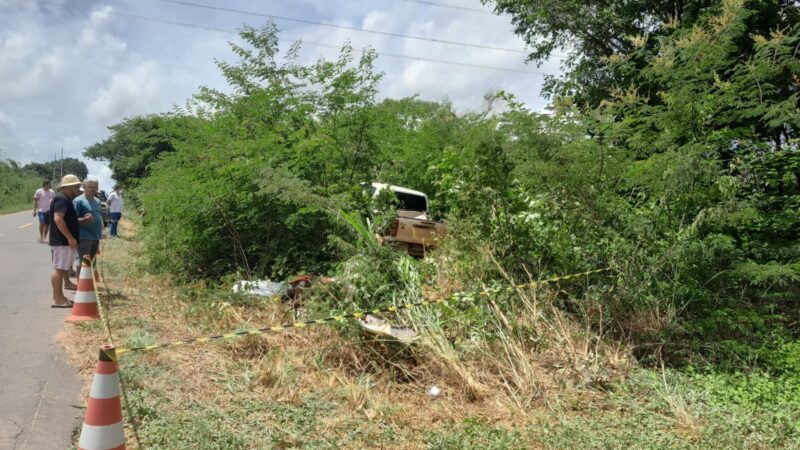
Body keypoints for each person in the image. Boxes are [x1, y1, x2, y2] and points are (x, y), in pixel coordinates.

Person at [49, 174, 82, 308]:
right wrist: (70, 238)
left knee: (62, 269)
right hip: (62, 241)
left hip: (63, 241)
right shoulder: (62, 199)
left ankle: (60, 297)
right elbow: (58, 219)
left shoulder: (64, 199)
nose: (78, 189)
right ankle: (57, 299)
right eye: (76, 186)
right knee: (59, 269)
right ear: (70, 187)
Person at [73, 179, 103, 281]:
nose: (92, 189)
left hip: (95, 236)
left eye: (94, 187)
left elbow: (98, 216)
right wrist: (85, 219)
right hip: (83, 236)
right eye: (89, 187)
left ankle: (87, 287)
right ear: (84, 187)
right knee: (83, 261)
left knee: (91, 261)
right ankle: (80, 288)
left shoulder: (97, 201)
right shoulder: (78, 201)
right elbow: (71, 220)